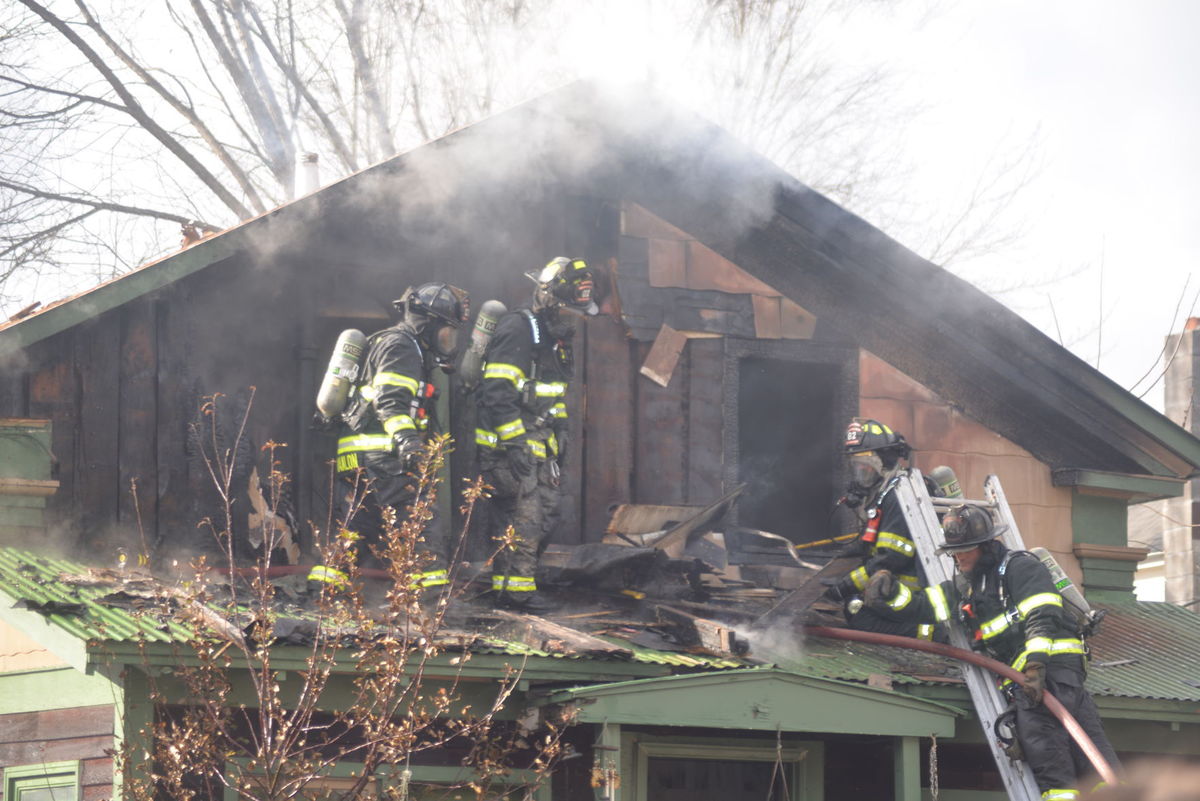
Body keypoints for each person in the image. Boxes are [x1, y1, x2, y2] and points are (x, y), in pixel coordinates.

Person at [929, 504, 1121, 800]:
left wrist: (1035, 666)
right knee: (1081, 762)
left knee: (1064, 768)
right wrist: (888, 596)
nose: (959, 555)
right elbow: (928, 605)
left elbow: (1042, 613)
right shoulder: (968, 586)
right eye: (955, 551)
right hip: (1032, 682)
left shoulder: (1020, 567)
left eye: (966, 548)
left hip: (1049, 675)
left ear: (985, 545)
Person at [308, 282, 470, 594]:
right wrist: (408, 441)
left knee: (357, 528)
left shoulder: (398, 344)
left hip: (359, 456)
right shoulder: (401, 346)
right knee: (420, 524)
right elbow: (389, 401)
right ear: (428, 323)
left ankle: (323, 593)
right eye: (446, 331)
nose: (448, 340)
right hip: (384, 457)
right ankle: (429, 602)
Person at [475, 257, 597, 611]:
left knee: (547, 513)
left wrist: (561, 429)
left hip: (539, 447)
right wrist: (513, 442)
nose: (571, 321)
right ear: (548, 299)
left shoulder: (555, 342)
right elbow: (497, 391)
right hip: (507, 447)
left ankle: (507, 584)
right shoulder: (518, 328)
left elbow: (552, 396)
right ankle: (518, 594)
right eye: (567, 311)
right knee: (524, 517)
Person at [825, 418, 939, 638]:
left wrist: (846, 584)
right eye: (855, 466)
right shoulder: (883, 494)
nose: (859, 473)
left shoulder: (900, 495)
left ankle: (933, 634)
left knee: (856, 612)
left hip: (913, 594)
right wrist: (843, 557)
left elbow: (892, 557)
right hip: (893, 586)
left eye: (864, 466)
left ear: (883, 461)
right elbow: (872, 541)